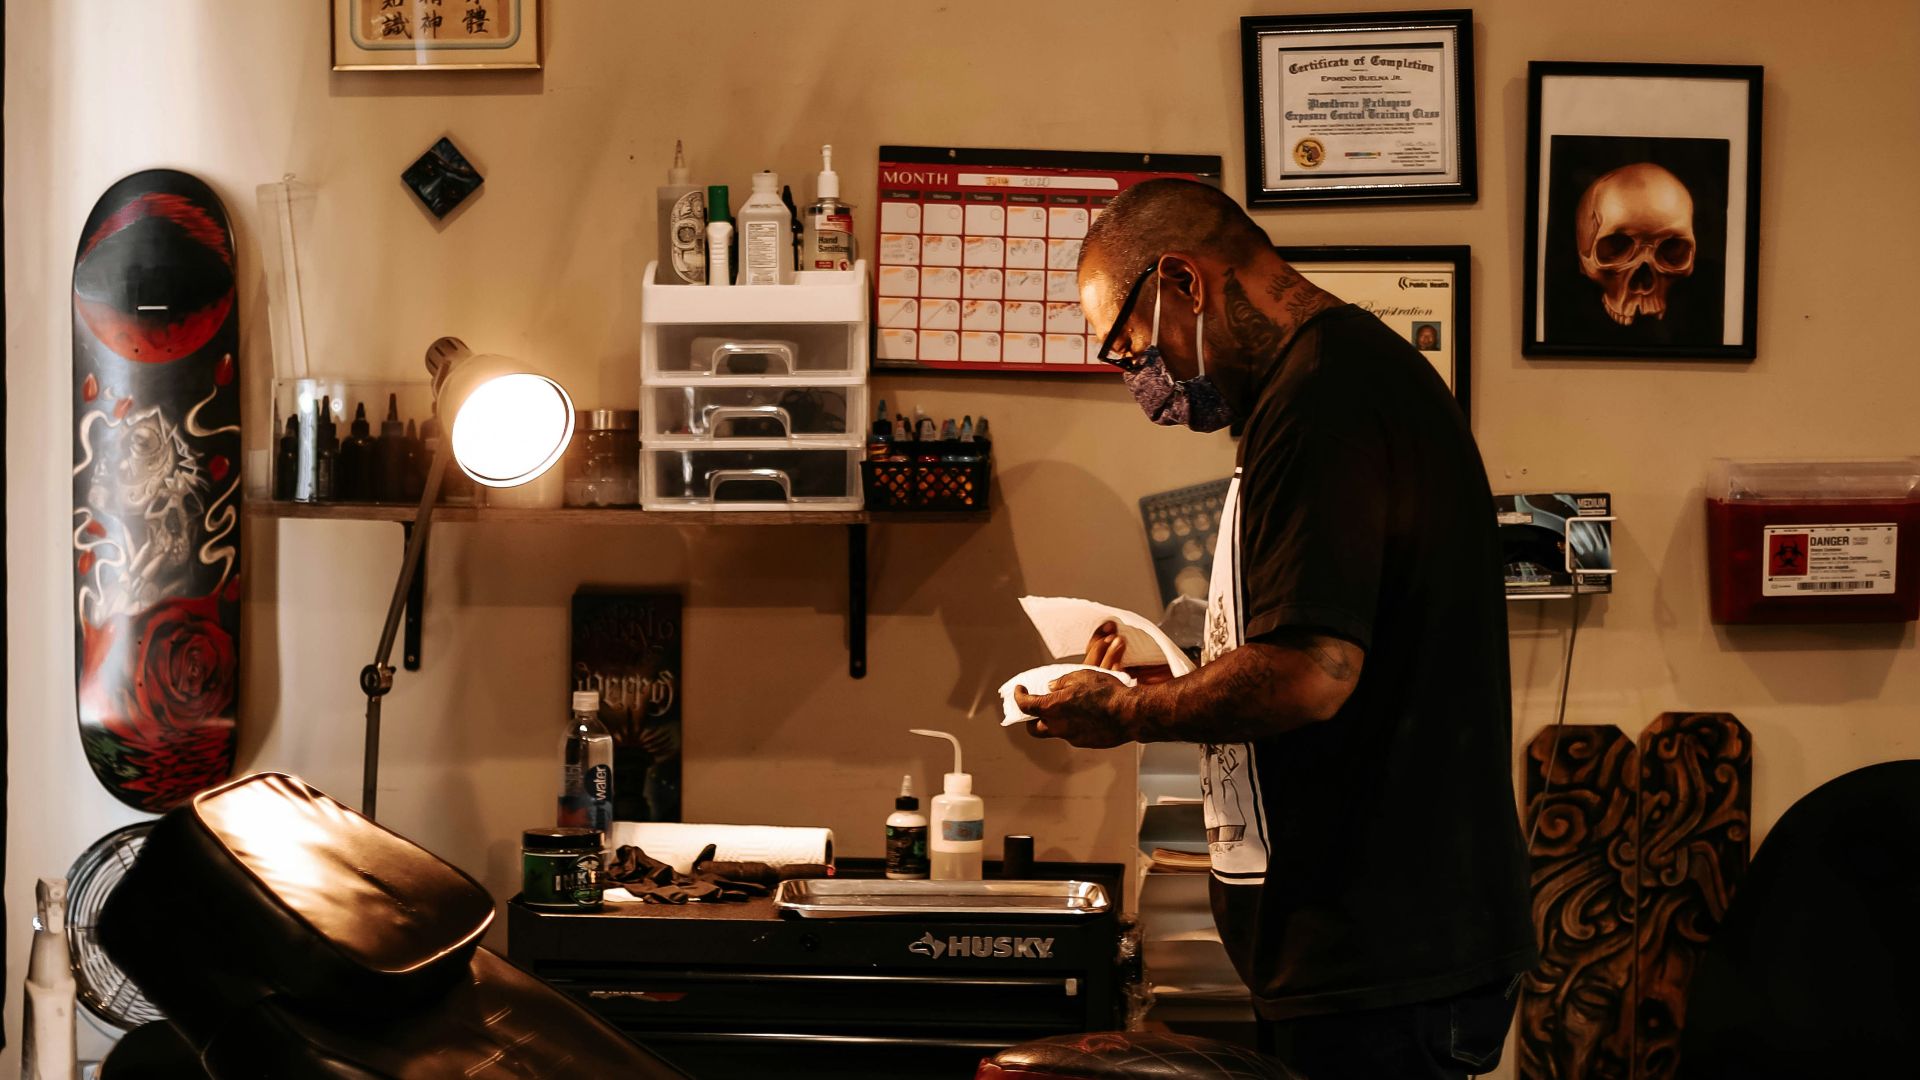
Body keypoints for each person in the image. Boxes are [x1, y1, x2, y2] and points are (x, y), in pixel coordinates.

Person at [1015, 179, 1533, 1080]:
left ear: (1183, 281)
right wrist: (1151, 680)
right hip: (1359, 956)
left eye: (1131, 348)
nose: (1146, 386)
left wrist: (1131, 715)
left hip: (1383, 962)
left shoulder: (1324, 400)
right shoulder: (1324, 390)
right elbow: (1314, 642)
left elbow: (1310, 674)